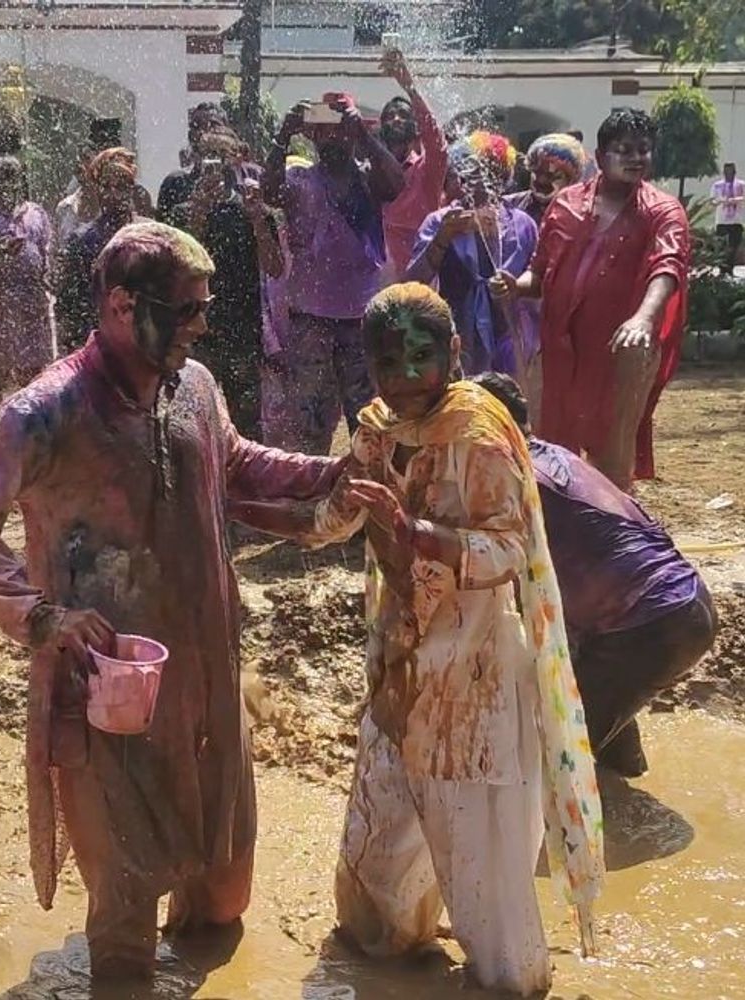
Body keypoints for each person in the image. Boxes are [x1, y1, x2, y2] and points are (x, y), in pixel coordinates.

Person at [0, 221, 345, 981]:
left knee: (221, 904)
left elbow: (238, 466)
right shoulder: (46, 409)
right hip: (109, 687)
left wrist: (333, 476)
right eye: (186, 309)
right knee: (124, 929)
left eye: (204, 307)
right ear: (122, 305)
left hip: (206, 678)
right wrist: (40, 616)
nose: (202, 324)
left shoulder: (196, 387)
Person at [305, 283, 602, 994]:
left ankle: (510, 980)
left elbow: (510, 548)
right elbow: (341, 514)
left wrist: (417, 533)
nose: (406, 376)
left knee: (478, 847)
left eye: (421, 357)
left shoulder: (479, 432)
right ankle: (386, 943)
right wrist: (313, 511)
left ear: (456, 352)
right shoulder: (377, 426)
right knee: (382, 829)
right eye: (388, 361)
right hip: (402, 657)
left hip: (474, 668)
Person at [473, 372, 717, 777]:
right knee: (601, 696)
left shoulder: (517, 477)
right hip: (681, 604)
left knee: (555, 759)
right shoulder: (555, 455)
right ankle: (627, 781)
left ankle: (606, 812)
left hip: (648, 623)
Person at [494, 109, 690, 491]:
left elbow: (668, 268)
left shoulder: (663, 211)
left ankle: (610, 521)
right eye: (624, 150)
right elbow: (540, 274)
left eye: (644, 150)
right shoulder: (565, 204)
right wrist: (516, 285)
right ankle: (559, 522)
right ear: (600, 157)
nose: (636, 158)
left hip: (621, 350)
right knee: (552, 450)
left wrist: (643, 318)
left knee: (611, 457)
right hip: (560, 349)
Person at [262, 93, 404, 453]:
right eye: (323, 129)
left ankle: (367, 477)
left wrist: (364, 136)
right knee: (309, 419)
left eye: (340, 129)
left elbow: (396, 184)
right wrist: (282, 136)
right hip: (310, 318)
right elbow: (269, 193)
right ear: (312, 134)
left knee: (368, 418)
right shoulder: (299, 179)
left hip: (360, 318)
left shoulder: (369, 179)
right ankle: (315, 482)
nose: (332, 137)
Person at [170, 128, 283, 439]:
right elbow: (177, 267)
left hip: (242, 333)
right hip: (195, 332)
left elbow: (275, 267)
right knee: (190, 422)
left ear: (235, 160)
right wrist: (198, 214)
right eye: (209, 155)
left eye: (221, 156)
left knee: (247, 425)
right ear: (196, 160)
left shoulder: (251, 209)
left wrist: (257, 219)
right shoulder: (183, 212)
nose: (215, 164)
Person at [407, 131, 538, 377]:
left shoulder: (523, 225)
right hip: (457, 337)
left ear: (503, 176)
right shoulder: (441, 221)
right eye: (468, 172)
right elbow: (414, 281)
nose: (474, 181)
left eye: (486, 172)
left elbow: (538, 276)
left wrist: (516, 286)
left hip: (510, 338)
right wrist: (443, 238)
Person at [0, 156, 55, 440]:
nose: (7, 183)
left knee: (35, 380)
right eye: (0, 177)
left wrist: (50, 278)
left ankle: (34, 445)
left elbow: (46, 256)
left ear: (20, 180)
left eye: (12, 176)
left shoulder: (37, 213)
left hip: (32, 306)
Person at [55, 148, 150, 355]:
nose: (113, 194)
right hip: (100, 346)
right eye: (106, 186)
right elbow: (70, 304)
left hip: (144, 343)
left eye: (121, 186)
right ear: (97, 190)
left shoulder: (150, 235)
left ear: (132, 189)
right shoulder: (82, 240)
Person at [376, 49, 448, 277]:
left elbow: (436, 142)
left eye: (403, 115)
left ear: (416, 128)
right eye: (389, 116)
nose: (396, 119)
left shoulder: (426, 171)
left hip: (420, 282)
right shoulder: (371, 173)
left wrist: (409, 87)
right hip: (378, 286)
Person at [157, 103, 260, 225]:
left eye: (213, 125)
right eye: (196, 126)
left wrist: (251, 211)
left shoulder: (247, 181)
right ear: (190, 136)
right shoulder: (175, 183)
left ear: (227, 131)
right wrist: (194, 209)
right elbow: (161, 231)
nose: (203, 131)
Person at [504, 132, 586, 227]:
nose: (541, 180)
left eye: (551, 176)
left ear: (571, 180)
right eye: (537, 172)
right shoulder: (508, 205)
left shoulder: (581, 215)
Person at [712, 162, 744, 275]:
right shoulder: (717, 185)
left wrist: (735, 200)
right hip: (722, 220)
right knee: (722, 246)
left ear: (734, 172)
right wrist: (721, 201)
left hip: (736, 220)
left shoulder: (741, 185)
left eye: (731, 171)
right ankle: (722, 268)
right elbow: (713, 200)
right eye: (726, 171)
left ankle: (730, 268)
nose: (728, 174)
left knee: (734, 245)